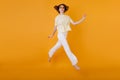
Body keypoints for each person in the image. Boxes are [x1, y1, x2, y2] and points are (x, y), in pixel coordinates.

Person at [48, 3, 86, 70]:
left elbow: (74, 23)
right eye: (60, 7)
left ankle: (50, 53)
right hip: (60, 34)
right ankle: (74, 64)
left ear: (64, 9)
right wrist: (52, 35)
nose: (62, 8)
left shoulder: (68, 17)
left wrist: (82, 19)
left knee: (57, 46)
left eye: (63, 7)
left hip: (65, 35)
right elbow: (55, 27)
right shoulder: (57, 17)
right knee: (67, 48)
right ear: (58, 9)